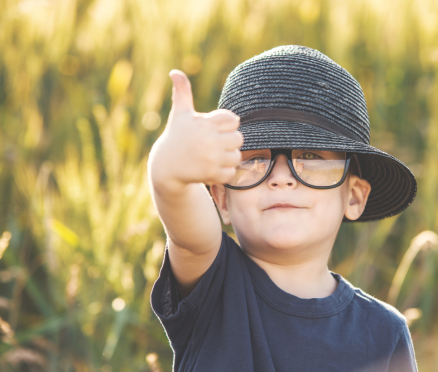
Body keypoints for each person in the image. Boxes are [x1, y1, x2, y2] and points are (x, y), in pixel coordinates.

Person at [147, 45, 418, 372]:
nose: (281, 177)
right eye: (256, 159)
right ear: (220, 199)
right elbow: (186, 228)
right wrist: (167, 168)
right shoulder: (213, 283)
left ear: (354, 197)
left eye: (311, 156)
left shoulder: (384, 331)